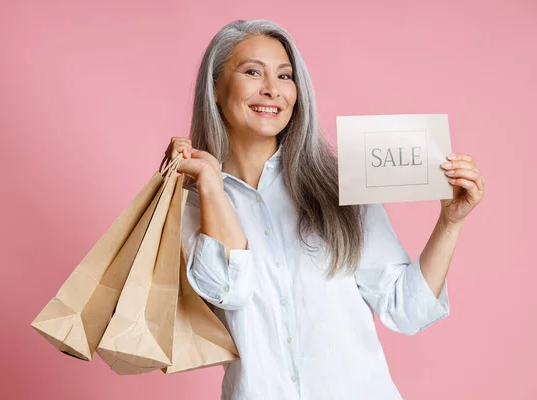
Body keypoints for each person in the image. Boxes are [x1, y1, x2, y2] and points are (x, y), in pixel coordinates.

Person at [160, 19, 485, 400]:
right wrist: (211, 184)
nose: (272, 90)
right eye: (252, 72)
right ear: (214, 87)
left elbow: (405, 309)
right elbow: (230, 290)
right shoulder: (191, 203)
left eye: (285, 76)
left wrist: (450, 222)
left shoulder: (339, 184)